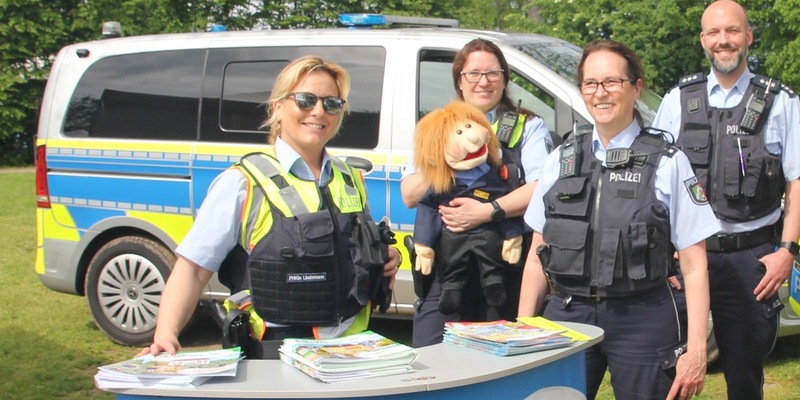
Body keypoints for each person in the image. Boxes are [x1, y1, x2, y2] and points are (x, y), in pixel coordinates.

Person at [139, 55, 401, 359]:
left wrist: (381, 257)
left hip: (351, 352)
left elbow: (349, 249)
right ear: (277, 106)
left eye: (332, 103)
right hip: (277, 355)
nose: (319, 111)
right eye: (305, 100)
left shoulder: (351, 178)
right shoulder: (242, 183)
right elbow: (194, 269)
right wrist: (166, 334)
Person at [518, 39, 719, 400]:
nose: (601, 93)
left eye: (612, 82)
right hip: (567, 315)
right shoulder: (561, 159)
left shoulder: (669, 162)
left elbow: (693, 263)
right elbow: (537, 251)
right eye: (591, 84)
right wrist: (523, 327)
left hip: (642, 318)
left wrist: (697, 348)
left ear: (636, 87)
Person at [652, 1, 800, 398]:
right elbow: (655, 182)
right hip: (686, 259)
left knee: (745, 373)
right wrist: (661, 253)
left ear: (748, 36)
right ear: (703, 40)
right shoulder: (678, 100)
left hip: (750, 259)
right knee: (669, 367)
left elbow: (797, 181)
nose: (724, 41)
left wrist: (787, 250)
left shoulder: (780, 102)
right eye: (714, 33)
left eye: (733, 31)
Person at [401, 38, 553, 348]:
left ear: (504, 78)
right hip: (447, 269)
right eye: (473, 73)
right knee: (431, 356)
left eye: (493, 73)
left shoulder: (528, 126)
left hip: (502, 269)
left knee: (497, 363)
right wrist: (447, 158)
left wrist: (486, 211)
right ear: (460, 80)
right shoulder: (438, 127)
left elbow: (540, 189)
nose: (483, 82)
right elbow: (409, 194)